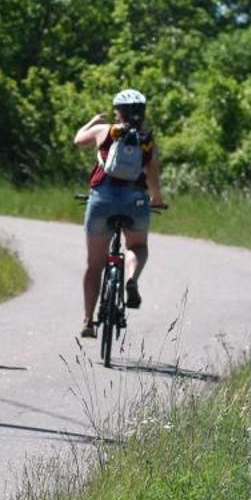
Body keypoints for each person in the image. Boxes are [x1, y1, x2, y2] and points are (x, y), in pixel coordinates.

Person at [73, 88, 166, 339]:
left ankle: (88, 321)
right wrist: (156, 198)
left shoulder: (105, 131)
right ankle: (131, 279)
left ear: (118, 111)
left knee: (94, 265)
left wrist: (93, 121)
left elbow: (78, 140)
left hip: (101, 199)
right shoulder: (146, 140)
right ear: (142, 112)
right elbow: (153, 173)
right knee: (137, 246)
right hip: (134, 200)